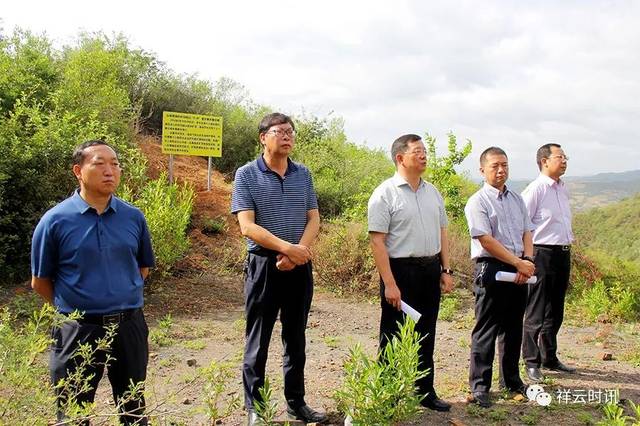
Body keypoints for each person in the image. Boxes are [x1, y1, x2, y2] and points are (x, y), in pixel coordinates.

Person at [31, 140, 155, 425]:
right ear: (78, 170)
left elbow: (143, 267)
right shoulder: (55, 221)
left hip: (128, 328)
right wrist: (76, 310)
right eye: (100, 164)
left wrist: (120, 296)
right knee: (74, 410)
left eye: (115, 164)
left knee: (133, 407)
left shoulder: (133, 217)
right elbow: (40, 281)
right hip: (77, 331)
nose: (110, 171)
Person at [231, 112, 326, 425]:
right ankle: (255, 408)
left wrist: (299, 253)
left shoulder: (303, 174)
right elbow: (247, 226)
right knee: (258, 339)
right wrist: (286, 249)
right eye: (280, 131)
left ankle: (296, 403)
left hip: (299, 266)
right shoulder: (246, 174)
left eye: (291, 132)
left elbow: (314, 218)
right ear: (263, 137)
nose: (287, 136)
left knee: (295, 337)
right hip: (264, 265)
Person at [367, 134, 454, 412]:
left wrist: (446, 269)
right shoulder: (385, 193)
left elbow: (442, 231)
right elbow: (377, 241)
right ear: (400, 158)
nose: (424, 155)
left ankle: (424, 391)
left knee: (426, 331)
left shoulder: (433, 192)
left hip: (429, 270)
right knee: (393, 334)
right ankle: (388, 395)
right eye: (417, 151)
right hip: (400, 272)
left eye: (425, 151)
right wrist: (389, 284)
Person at [464, 147, 535, 408]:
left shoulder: (517, 200)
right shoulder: (478, 201)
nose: (501, 170)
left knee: (513, 327)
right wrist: (517, 262)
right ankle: (480, 387)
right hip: (492, 268)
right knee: (486, 328)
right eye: (494, 166)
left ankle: (511, 381)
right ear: (482, 170)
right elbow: (485, 239)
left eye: (504, 165)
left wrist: (527, 261)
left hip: (520, 268)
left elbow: (528, 232)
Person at [521, 143, 576, 382]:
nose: (564, 161)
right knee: (536, 309)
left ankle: (549, 356)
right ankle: (531, 362)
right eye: (559, 157)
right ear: (544, 161)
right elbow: (522, 225)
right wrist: (527, 257)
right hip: (541, 254)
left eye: (565, 157)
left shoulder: (561, 189)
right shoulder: (536, 189)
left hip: (562, 253)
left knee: (556, 309)